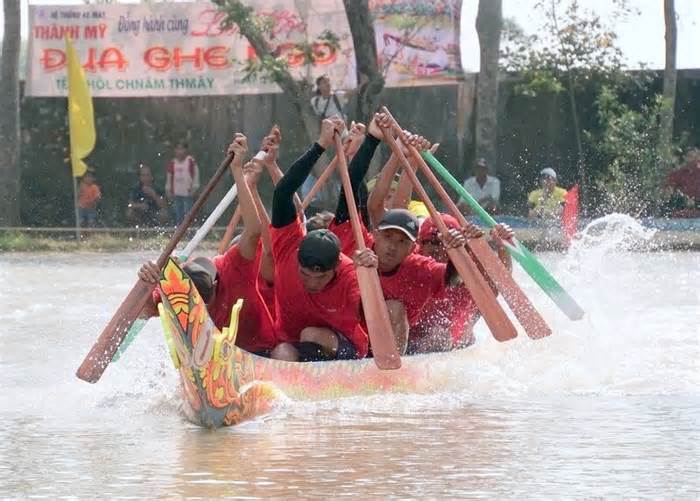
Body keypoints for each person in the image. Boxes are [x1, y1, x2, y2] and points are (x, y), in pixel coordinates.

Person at [330, 113, 468, 354]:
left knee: (403, 312)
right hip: (351, 336)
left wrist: (459, 251)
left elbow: (452, 277)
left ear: (412, 247)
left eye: (401, 241)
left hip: (399, 342)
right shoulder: (359, 243)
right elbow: (365, 199)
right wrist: (396, 153)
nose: (392, 247)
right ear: (376, 234)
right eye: (388, 238)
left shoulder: (418, 264)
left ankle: (392, 370)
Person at [138, 134, 277, 355]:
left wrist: (238, 172)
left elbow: (254, 231)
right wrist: (148, 282)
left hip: (259, 351)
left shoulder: (233, 267)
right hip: (209, 361)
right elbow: (143, 313)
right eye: (197, 305)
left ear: (214, 285)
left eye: (206, 303)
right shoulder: (177, 291)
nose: (202, 310)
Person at [268, 117, 377, 362]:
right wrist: (320, 145)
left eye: (321, 277)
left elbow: (371, 315)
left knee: (310, 332)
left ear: (336, 267)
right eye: (305, 274)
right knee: (283, 351)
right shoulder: (287, 248)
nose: (312, 283)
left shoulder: (350, 274)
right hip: (292, 347)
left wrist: (372, 141)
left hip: (345, 351)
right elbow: (283, 193)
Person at [411, 214, 513, 354]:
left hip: (459, 346)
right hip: (415, 345)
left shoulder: (469, 265)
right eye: (434, 242)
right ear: (420, 243)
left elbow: (501, 282)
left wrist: (503, 246)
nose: (440, 249)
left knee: (441, 336)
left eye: (446, 244)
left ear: (461, 246)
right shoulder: (411, 262)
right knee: (438, 336)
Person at [166, 140, 200, 225]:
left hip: (188, 195)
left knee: (188, 215)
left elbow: (196, 176)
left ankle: (189, 232)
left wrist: (194, 189)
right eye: (177, 149)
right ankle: (178, 232)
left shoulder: (191, 161)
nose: (179, 151)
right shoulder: (172, 163)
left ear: (186, 150)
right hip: (176, 195)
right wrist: (168, 190)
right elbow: (169, 178)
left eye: (182, 149)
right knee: (178, 215)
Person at [665, 148, 700, 217]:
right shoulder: (678, 174)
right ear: (685, 158)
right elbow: (667, 192)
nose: (692, 159)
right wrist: (683, 198)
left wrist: (695, 202)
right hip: (682, 210)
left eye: (694, 157)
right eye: (689, 156)